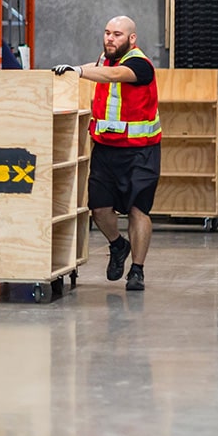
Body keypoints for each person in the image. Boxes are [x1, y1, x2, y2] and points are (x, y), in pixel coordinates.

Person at [53, 16, 161, 291]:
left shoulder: (140, 65)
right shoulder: (106, 60)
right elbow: (100, 67)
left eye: (117, 35)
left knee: (138, 210)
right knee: (99, 209)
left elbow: (113, 75)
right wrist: (74, 69)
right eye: (107, 33)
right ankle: (118, 245)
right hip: (106, 149)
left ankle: (137, 270)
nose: (110, 39)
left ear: (131, 39)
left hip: (141, 152)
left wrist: (77, 71)